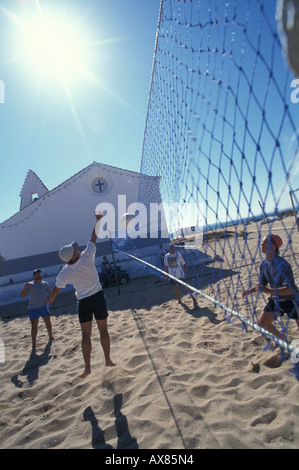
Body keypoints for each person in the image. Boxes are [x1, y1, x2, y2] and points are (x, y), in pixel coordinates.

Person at [49, 212, 115, 378]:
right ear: (74, 255)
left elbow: (56, 289)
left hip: (83, 302)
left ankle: (87, 368)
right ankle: (107, 359)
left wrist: (50, 301)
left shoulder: (65, 272)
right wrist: (98, 220)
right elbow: (94, 236)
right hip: (98, 298)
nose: (77, 249)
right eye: (75, 249)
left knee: (86, 335)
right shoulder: (87, 256)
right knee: (103, 330)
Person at [242, 234, 299, 345]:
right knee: (261, 324)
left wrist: (268, 290)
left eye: (265, 243)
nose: (262, 244)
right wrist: (251, 291)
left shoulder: (283, 264)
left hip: (293, 299)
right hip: (276, 299)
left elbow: (290, 289)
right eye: (262, 242)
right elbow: (262, 284)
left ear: (274, 246)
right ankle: (282, 339)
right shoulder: (263, 264)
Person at [20, 269, 53, 353]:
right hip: (33, 308)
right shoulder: (30, 285)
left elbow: (50, 294)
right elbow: (22, 296)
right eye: (37, 274)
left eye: (40, 274)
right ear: (34, 276)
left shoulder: (45, 284)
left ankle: (50, 336)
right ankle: (34, 344)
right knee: (34, 325)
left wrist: (50, 300)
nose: (39, 275)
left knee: (47, 321)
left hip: (43, 306)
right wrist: (25, 288)